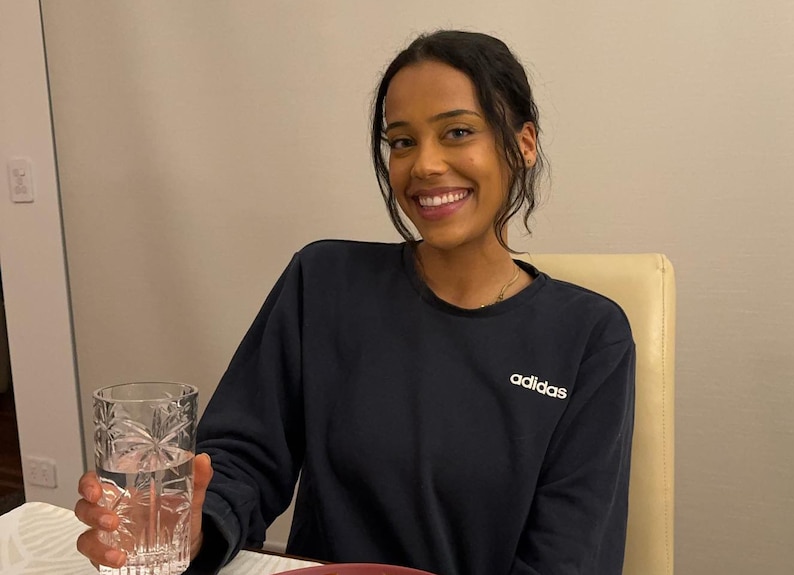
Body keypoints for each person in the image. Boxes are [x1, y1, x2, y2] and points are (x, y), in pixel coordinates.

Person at [75, 30, 635, 575]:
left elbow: (571, 553)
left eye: (458, 132)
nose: (426, 165)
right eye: (402, 141)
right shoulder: (323, 281)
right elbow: (243, 456)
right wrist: (194, 523)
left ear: (523, 144)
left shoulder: (589, 335)